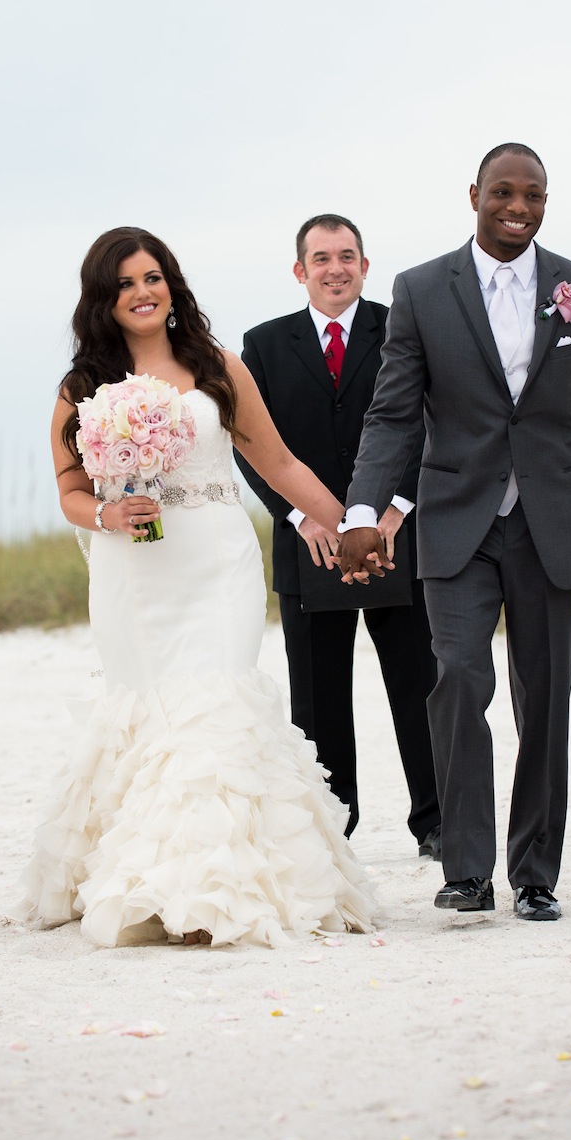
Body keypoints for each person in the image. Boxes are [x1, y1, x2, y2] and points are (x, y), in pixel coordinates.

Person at [15, 226, 376, 947]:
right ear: (103, 301)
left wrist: (351, 528)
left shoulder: (216, 366)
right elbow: (67, 489)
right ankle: (151, 886)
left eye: (152, 277)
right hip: (134, 572)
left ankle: (221, 888)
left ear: (171, 285)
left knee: (216, 705)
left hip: (217, 564)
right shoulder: (81, 387)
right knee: (150, 711)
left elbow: (278, 464)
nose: (141, 292)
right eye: (124, 284)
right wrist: (106, 513)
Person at [337, 144, 571, 922]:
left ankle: (536, 874)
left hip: (554, 525)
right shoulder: (422, 290)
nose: (518, 207)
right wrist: (363, 513)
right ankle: (465, 868)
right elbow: (393, 413)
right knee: (459, 677)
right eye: (503, 191)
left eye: (534, 195)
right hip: (458, 521)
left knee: (546, 698)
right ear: (474, 195)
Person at [235, 214, 440, 853]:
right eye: (321, 258)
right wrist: (299, 518)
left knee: (419, 687)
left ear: (365, 266)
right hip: (310, 548)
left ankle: (436, 824)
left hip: (398, 538)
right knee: (319, 703)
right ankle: (332, 831)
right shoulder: (264, 346)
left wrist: (398, 507)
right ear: (300, 271)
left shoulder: (402, 331)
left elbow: (434, 421)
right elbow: (247, 443)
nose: (335, 268)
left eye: (347, 256)